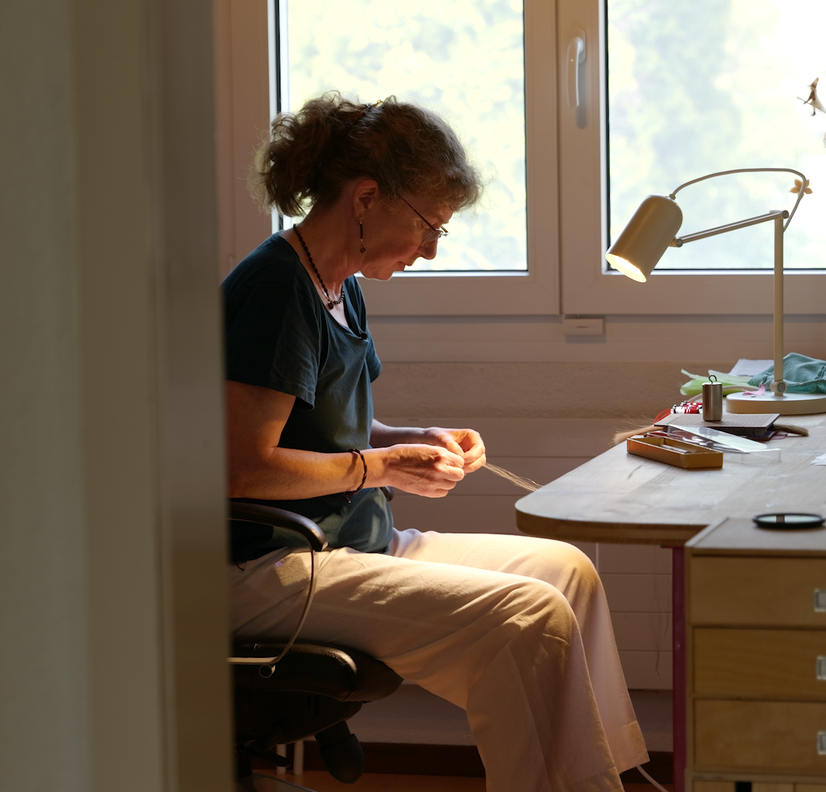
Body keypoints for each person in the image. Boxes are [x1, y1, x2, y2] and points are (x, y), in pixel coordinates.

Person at [223, 93, 651, 792]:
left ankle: (599, 779)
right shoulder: (277, 290)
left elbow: (330, 431)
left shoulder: (339, 285)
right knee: (528, 616)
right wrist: (380, 466)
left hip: (348, 544)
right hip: (268, 570)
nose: (428, 250)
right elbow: (241, 468)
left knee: (565, 572)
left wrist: (412, 439)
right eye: (429, 227)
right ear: (365, 198)